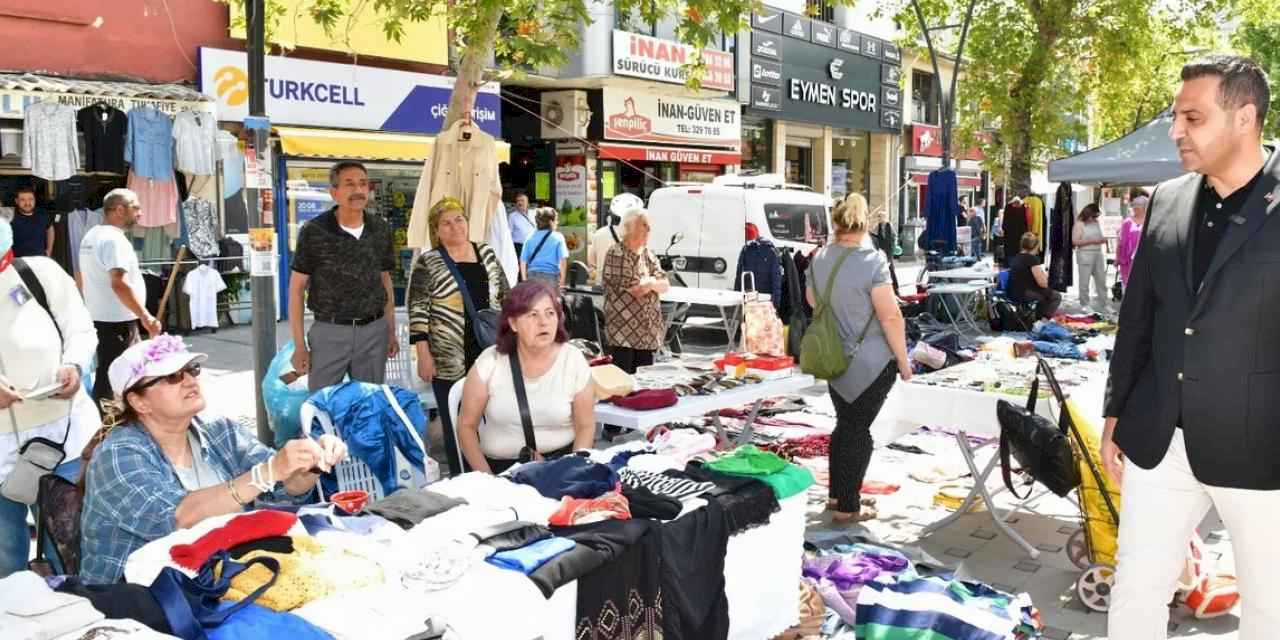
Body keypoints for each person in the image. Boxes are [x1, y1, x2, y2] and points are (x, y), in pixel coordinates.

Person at [1103, 54, 1280, 639]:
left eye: (1192, 118)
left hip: (1261, 446)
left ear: (1244, 118)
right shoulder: (1167, 198)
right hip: (1160, 437)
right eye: (1176, 117)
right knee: (1135, 592)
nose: (1176, 131)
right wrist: (1115, 411)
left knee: (1269, 610)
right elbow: (1138, 318)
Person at [78, 337, 347, 584]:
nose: (189, 381)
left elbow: (283, 490)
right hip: (136, 598)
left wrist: (310, 463)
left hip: (212, 580)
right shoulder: (116, 455)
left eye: (191, 370)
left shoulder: (218, 430)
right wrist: (269, 471)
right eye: (172, 376)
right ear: (139, 402)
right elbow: (179, 518)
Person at [0, 218, 98, 577]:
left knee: (72, 547)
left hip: (64, 436)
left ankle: (80, 604)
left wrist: (75, 365)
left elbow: (81, 329)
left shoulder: (40, 273)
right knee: (5, 555)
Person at [806, 194, 911, 524]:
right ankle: (848, 507)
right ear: (865, 224)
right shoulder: (873, 260)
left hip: (833, 357)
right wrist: (904, 361)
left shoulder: (820, 258)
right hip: (871, 361)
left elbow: (812, 301)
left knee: (846, 425)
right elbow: (890, 316)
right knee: (858, 431)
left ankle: (837, 496)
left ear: (835, 223)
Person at [407, 197, 510, 477]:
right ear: (436, 230)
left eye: (459, 220)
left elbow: (506, 296)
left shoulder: (486, 253)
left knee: (493, 417)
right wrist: (423, 354)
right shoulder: (428, 262)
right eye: (446, 223)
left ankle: (492, 474)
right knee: (456, 419)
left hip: (490, 350)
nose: (455, 227)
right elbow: (418, 309)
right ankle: (461, 476)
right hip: (448, 354)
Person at [454, 281, 595, 474]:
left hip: (560, 466)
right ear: (513, 323)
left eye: (550, 313)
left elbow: (585, 426)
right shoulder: (490, 362)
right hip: (502, 471)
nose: (543, 322)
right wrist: (487, 480)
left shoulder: (572, 359)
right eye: (533, 315)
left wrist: (575, 471)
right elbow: (466, 427)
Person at [289, 161, 398, 392]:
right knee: (324, 402)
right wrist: (299, 346)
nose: (358, 190)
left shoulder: (380, 229)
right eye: (349, 184)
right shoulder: (314, 231)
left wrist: (391, 331)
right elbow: (297, 289)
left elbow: (385, 280)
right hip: (329, 332)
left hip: (373, 333)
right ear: (334, 192)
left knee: (368, 403)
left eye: (363, 184)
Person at [79, 188, 160, 405]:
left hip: (101, 317)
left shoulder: (91, 235)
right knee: (116, 378)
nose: (140, 213)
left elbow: (83, 276)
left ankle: (108, 417)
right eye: (136, 207)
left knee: (110, 374)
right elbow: (119, 283)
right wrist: (146, 317)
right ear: (120, 210)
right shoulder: (114, 240)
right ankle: (107, 421)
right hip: (117, 323)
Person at [602, 209, 669, 374]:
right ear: (629, 227)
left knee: (644, 382)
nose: (649, 229)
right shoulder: (617, 253)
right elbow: (637, 290)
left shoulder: (648, 254)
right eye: (644, 225)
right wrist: (651, 283)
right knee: (623, 381)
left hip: (647, 333)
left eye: (649, 225)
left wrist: (650, 283)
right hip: (624, 335)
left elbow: (665, 285)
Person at [1006, 232, 1062, 319]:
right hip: (1023, 293)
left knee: (1045, 294)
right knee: (1055, 296)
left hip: (1011, 292)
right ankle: (1042, 319)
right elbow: (1042, 283)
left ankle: (1034, 317)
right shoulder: (1032, 259)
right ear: (1036, 246)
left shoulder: (1017, 257)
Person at [1072, 203, 1110, 312]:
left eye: (1096, 216)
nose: (1094, 218)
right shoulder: (1079, 224)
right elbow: (1075, 241)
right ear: (1087, 214)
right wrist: (1093, 241)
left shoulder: (1096, 223)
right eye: (1093, 216)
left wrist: (1102, 239)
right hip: (1085, 254)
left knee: (1101, 280)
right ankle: (1084, 303)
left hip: (1098, 253)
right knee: (1084, 281)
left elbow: (1098, 236)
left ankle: (1104, 303)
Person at [519, 207, 568, 288]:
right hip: (550, 277)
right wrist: (562, 281)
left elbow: (523, 261)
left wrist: (524, 279)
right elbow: (563, 260)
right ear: (551, 222)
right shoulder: (558, 237)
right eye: (556, 220)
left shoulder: (529, 238)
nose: (557, 222)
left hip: (532, 276)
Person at [9, 186, 53, 258]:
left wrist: (49, 250)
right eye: (22, 200)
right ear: (16, 201)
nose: (27, 203)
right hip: (17, 260)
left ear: (35, 200)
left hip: (40, 258)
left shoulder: (42, 214)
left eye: (30, 199)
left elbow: (50, 229)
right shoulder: (10, 215)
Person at [1115, 194, 1147, 288]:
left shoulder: (1149, 221)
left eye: (1138, 205)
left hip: (1144, 257)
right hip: (1127, 259)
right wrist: (1117, 257)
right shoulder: (1127, 222)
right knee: (1127, 283)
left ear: (1144, 207)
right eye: (1134, 205)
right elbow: (1120, 242)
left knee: (1142, 283)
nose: (1135, 207)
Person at [588, 214, 622, 288]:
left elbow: (592, 262)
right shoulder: (632, 234)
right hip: (624, 287)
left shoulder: (599, 233)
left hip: (602, 284)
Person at [507, 192, 535, 258]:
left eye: (522, 200)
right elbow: (509, 233)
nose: (520, 203)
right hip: (519, 247)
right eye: (518, 201)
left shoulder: (534, 213)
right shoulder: (512, 216)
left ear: (527, 203)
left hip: (533, 245)